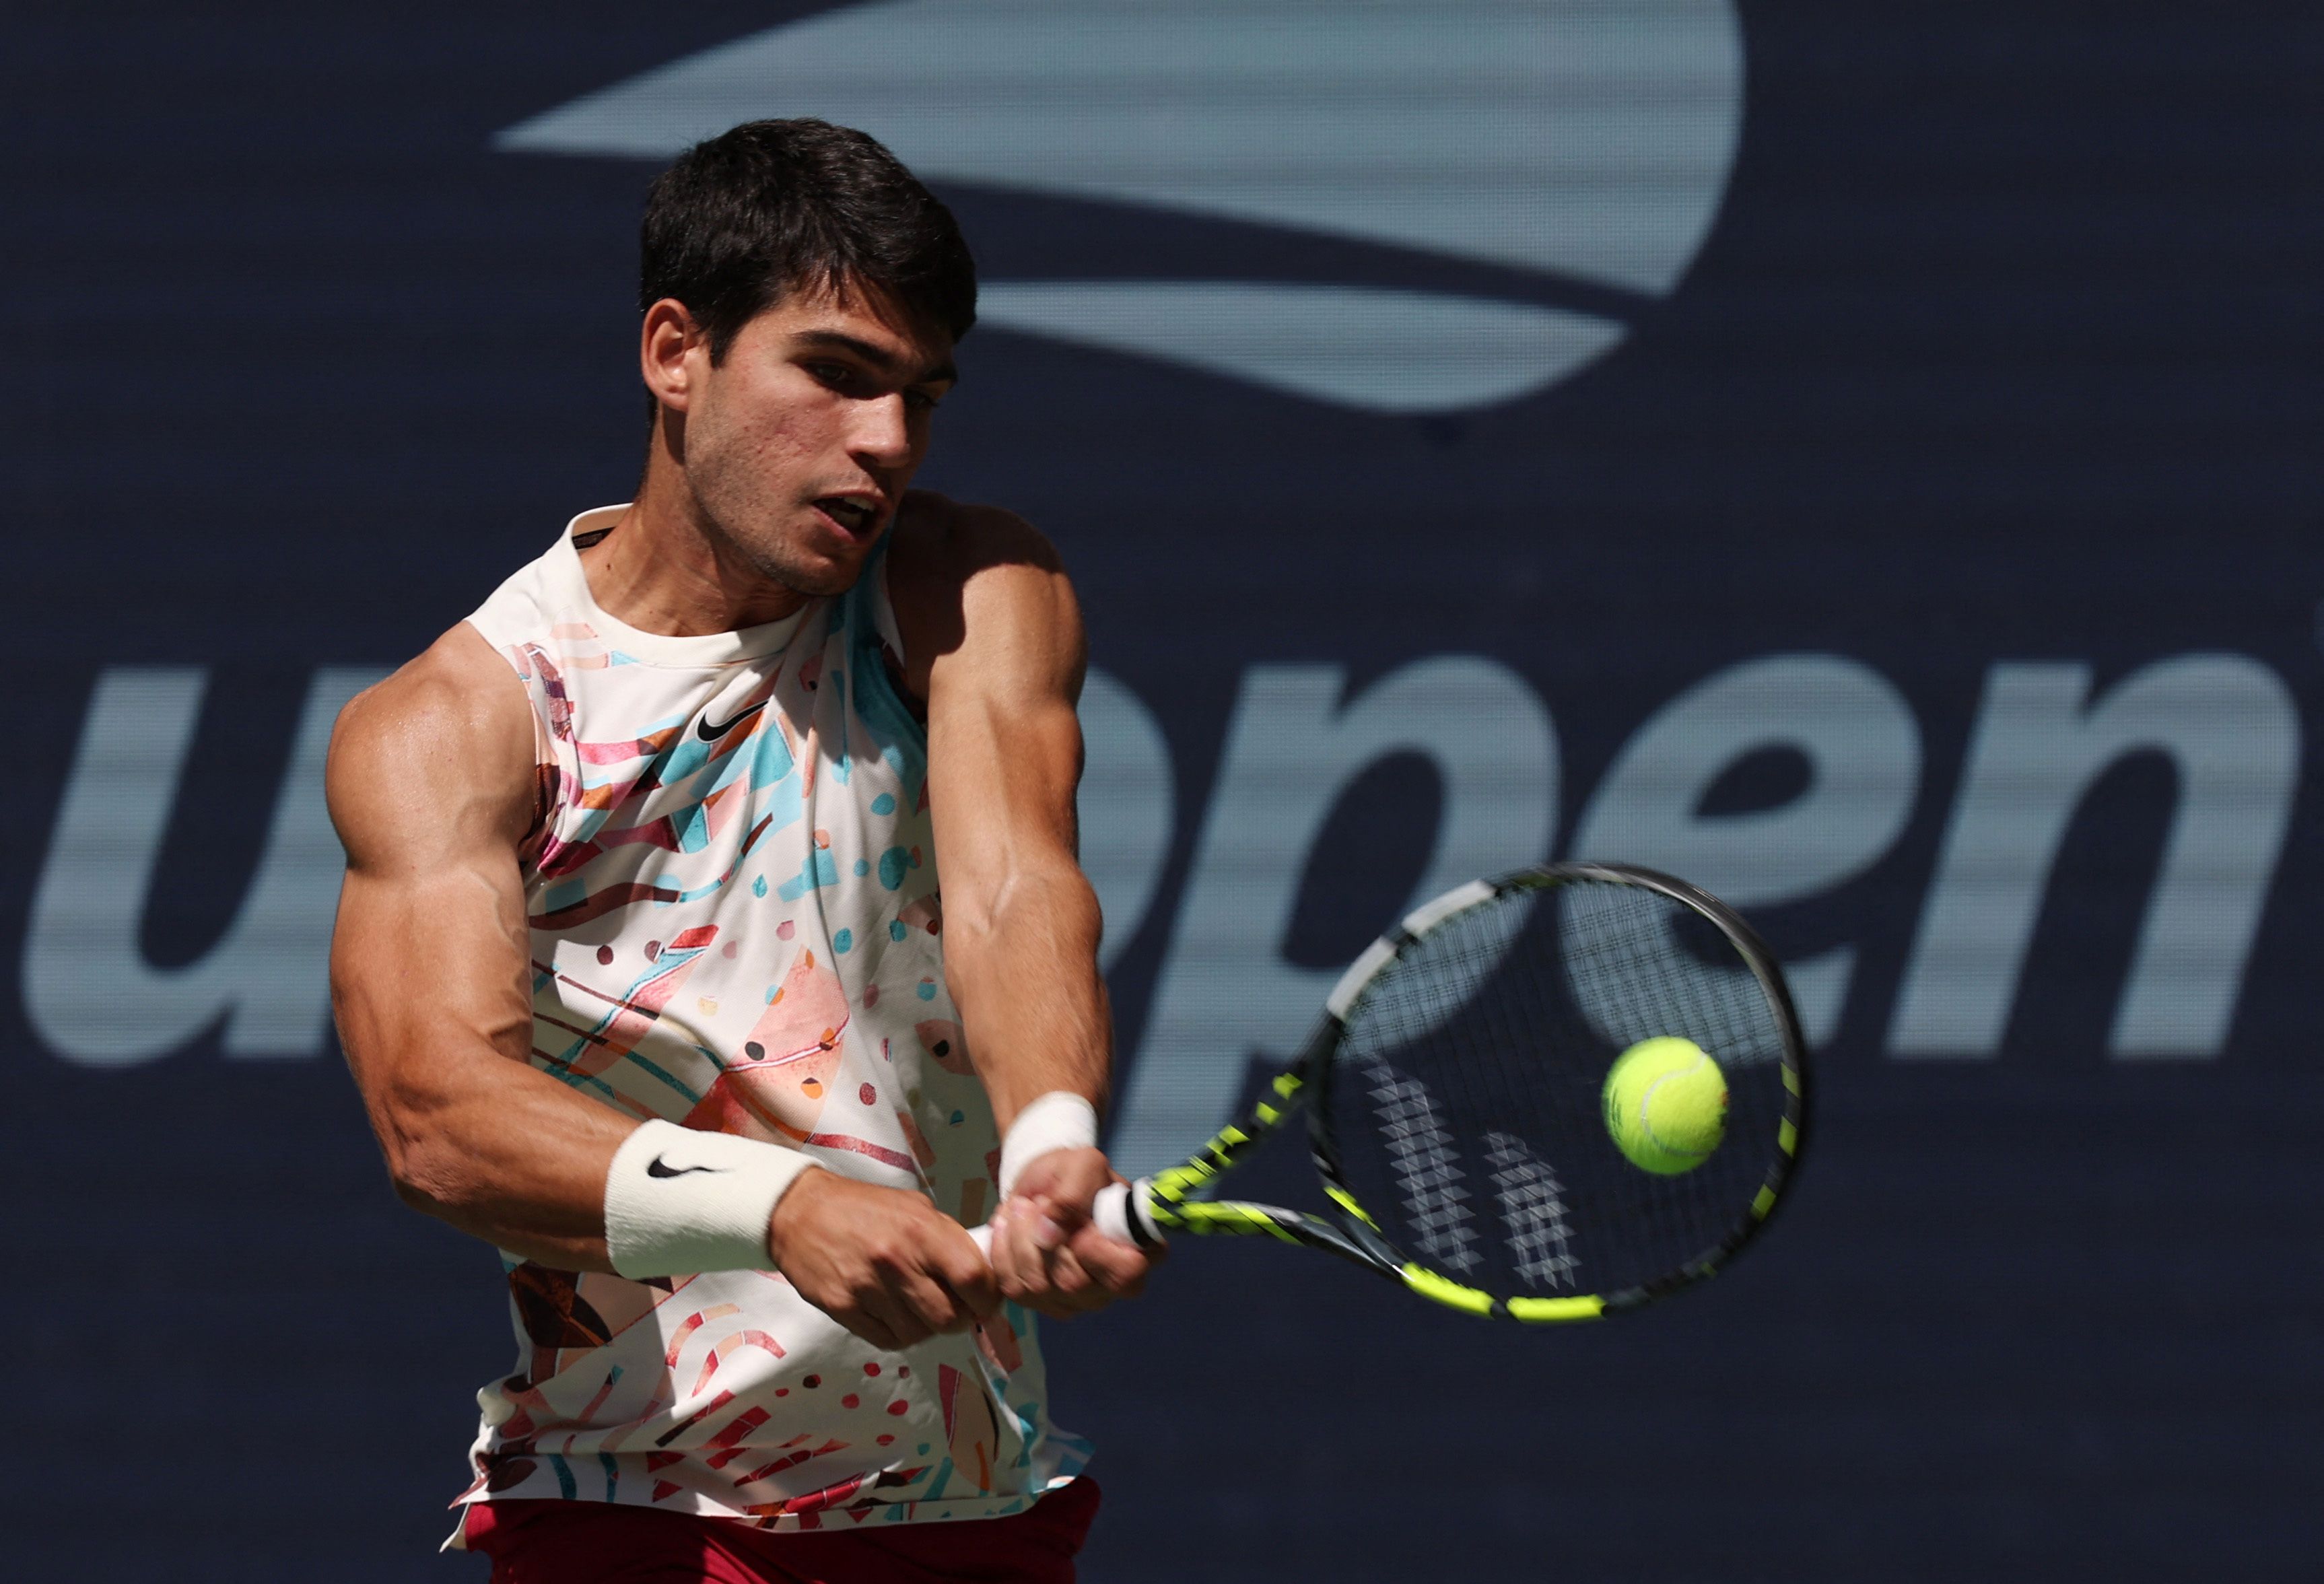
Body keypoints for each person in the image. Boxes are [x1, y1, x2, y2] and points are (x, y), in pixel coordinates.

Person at [326, 118, 1157, 1583]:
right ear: (674, 353)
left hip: (974, 1510)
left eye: (920, 396)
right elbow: (438, 1114)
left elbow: (1010, 879)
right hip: (632, 1517)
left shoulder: (963, 588)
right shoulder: (464, 718)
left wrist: (1048, 1143)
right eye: (835, 375)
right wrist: (779, 1207)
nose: (886, 443)